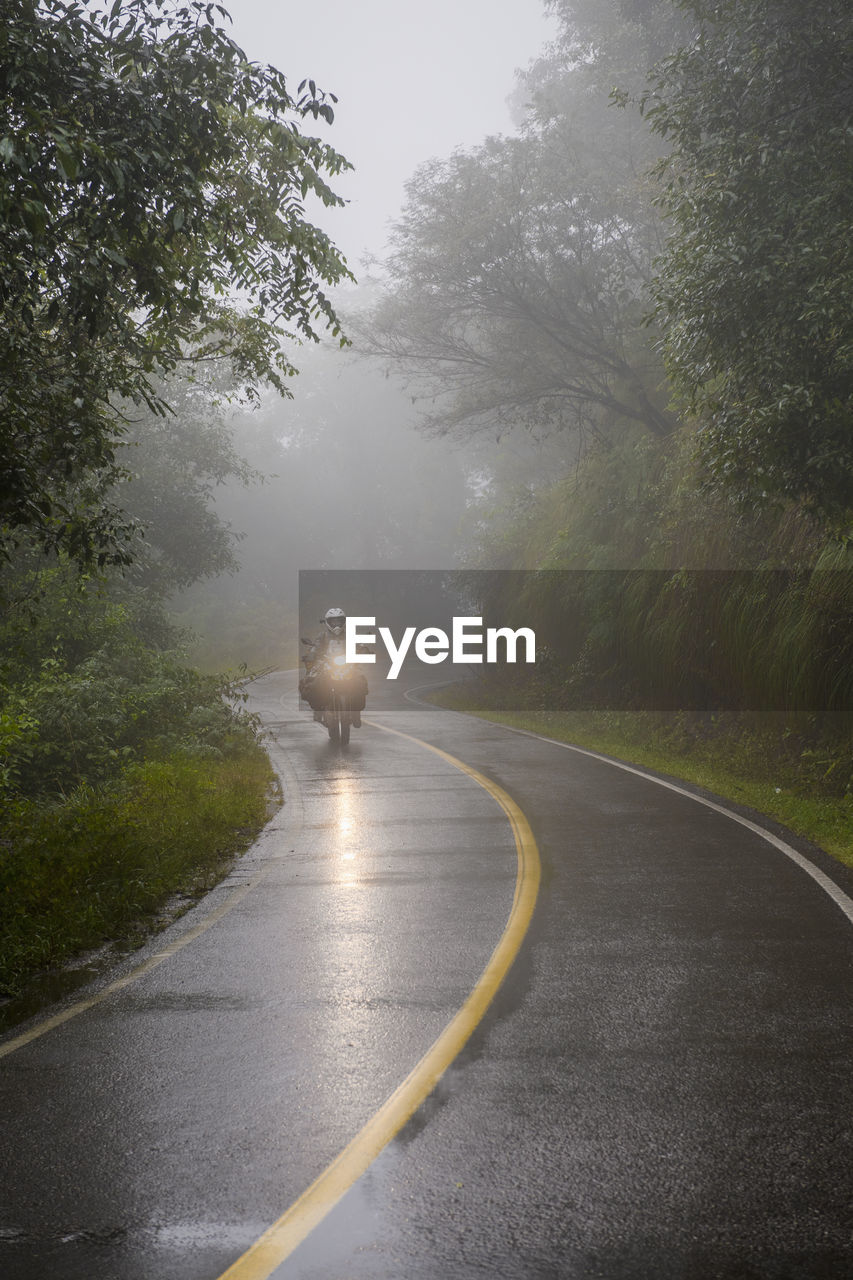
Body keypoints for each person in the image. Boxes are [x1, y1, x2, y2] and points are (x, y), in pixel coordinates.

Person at [299, 607, 368, 727]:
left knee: (360, 680)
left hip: (347, 664)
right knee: (314, 682)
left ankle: (356, 713)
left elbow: (358, 646)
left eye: (339, 621)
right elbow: (316, 647)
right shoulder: (323, 636)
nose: (336, 624)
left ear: (344, 622)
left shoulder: (349, 635)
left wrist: (363, 650)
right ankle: (318, 710)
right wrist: (311, 655)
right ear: (327, 622)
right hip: (328, 664)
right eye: (333, 622)